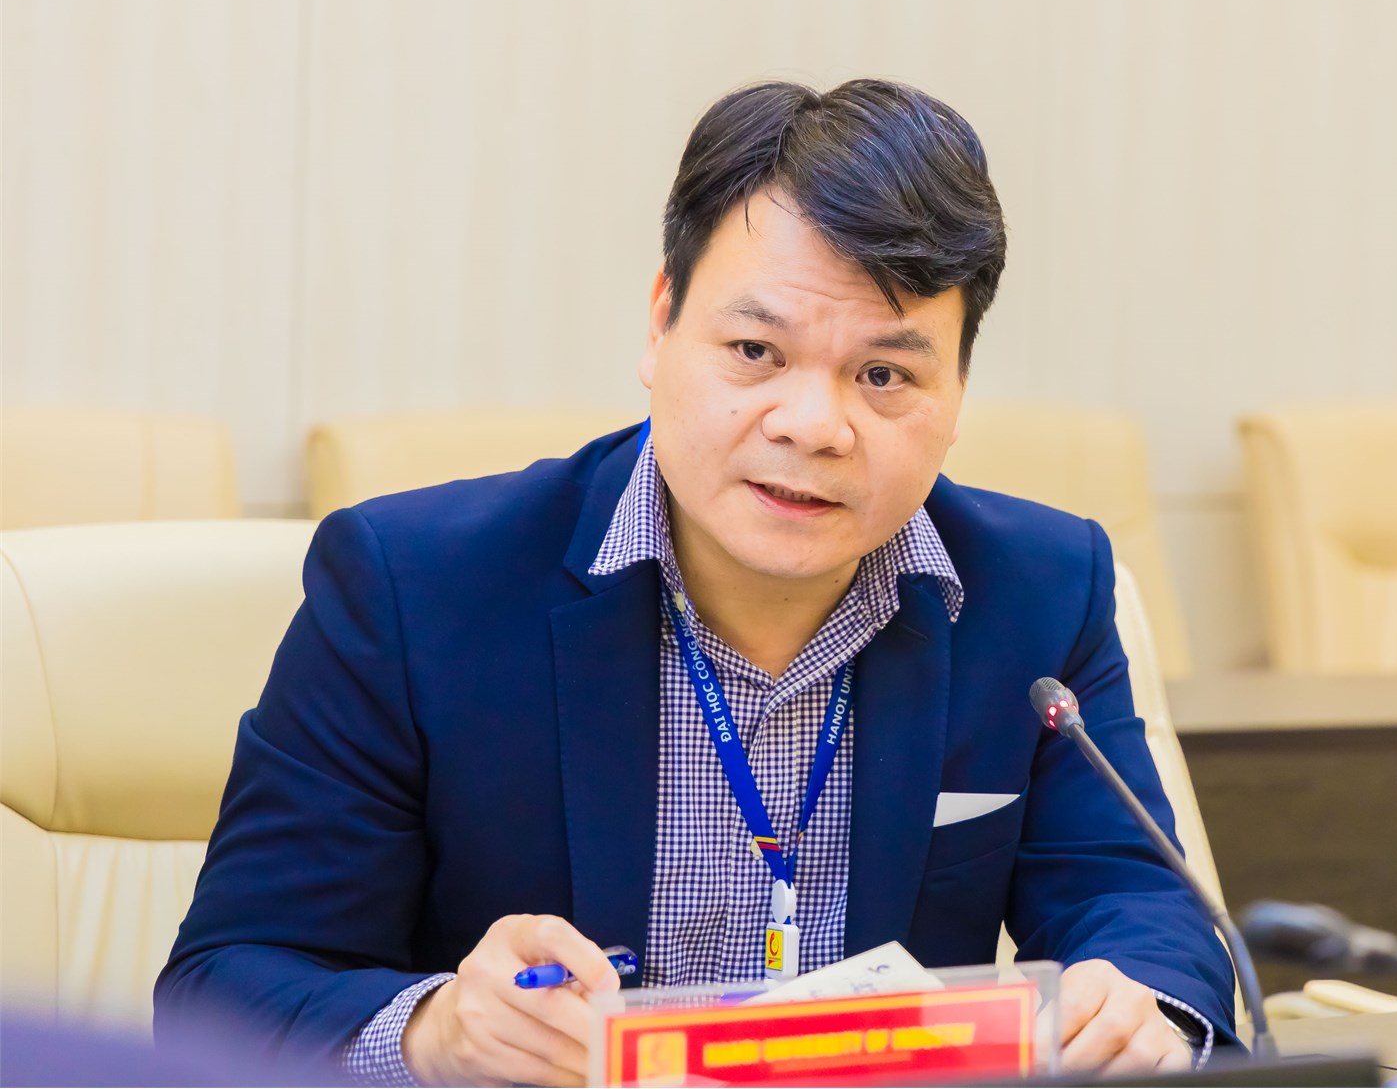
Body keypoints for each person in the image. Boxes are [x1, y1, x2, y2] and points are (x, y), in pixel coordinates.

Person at [157, 80, 1236, 1085]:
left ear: (957, 390)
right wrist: (435, 1031)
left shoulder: (1038, 590)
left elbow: (1136, 899)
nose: (812, 425)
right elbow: (230, 980)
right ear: (660, 321)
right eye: (756, 351)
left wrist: (1140, 1009)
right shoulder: (413, 588)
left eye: (883, 374)